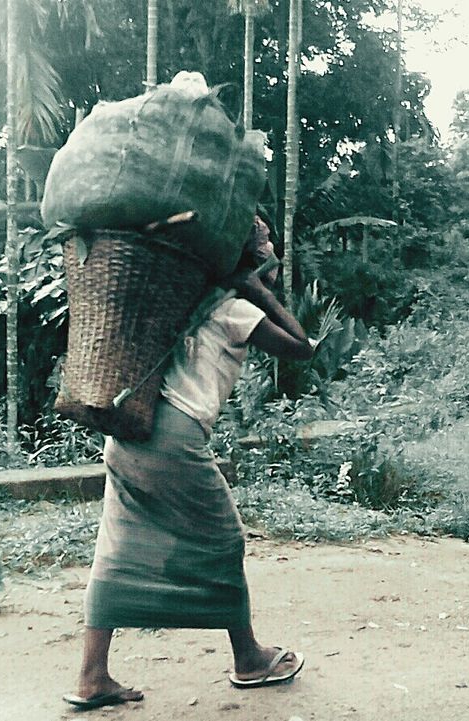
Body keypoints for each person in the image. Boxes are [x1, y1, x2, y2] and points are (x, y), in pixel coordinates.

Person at [63, 217, 313, 711]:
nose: (272, 253)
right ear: (247, 261)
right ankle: (249, 659)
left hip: (128, 432)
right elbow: (302, 347)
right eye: (264, 247)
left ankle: (93, 676)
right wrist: (254, 290)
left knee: (117, 548)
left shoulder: (188, 300)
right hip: (173, 438)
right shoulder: (235, 310)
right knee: (224, 537)